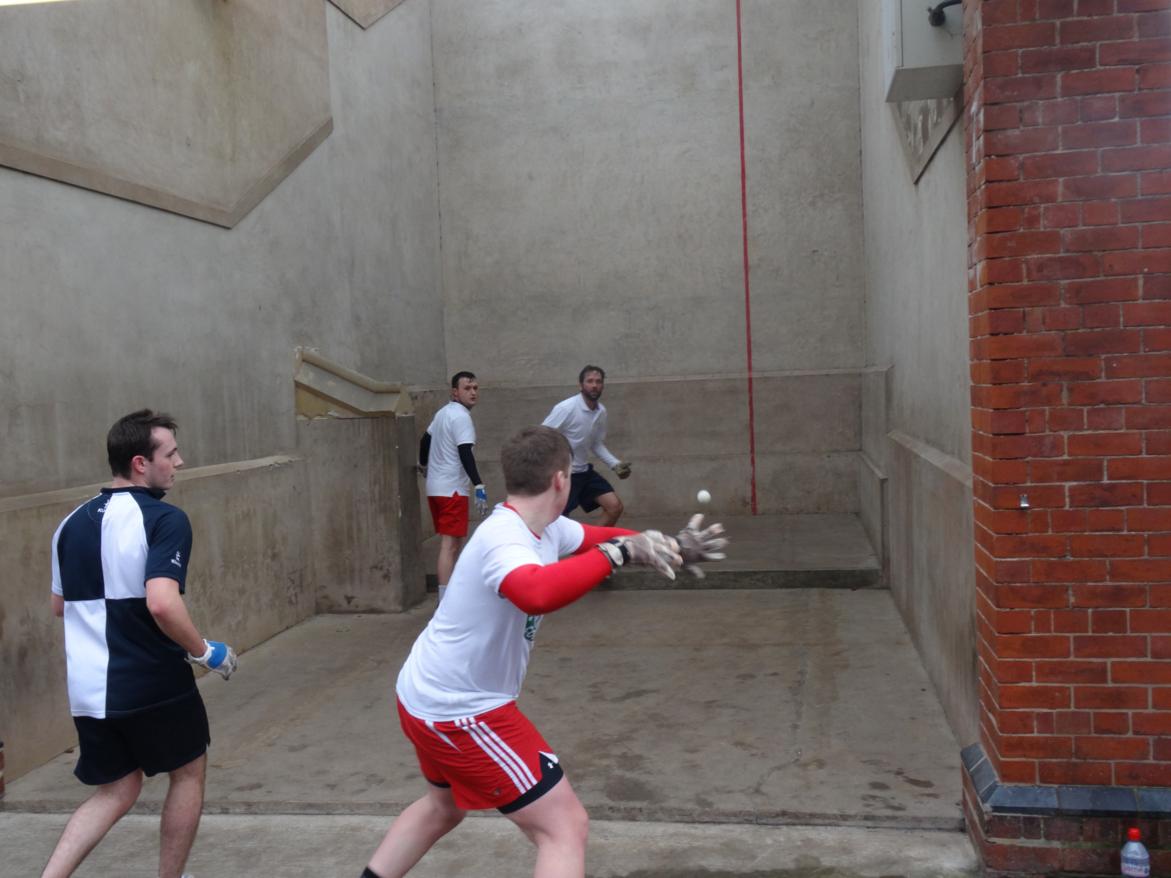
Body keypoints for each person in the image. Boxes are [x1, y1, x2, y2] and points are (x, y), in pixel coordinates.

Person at [361, 425, 727, 878]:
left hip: (423, 693)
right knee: (564, 827)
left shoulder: (547, 527)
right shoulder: (503, 539)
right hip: (462, 710)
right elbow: (535, 593)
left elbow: (597, 537)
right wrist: (618, 554)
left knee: (445, 805)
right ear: (561, 479)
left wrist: (671, 547)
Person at [42, 410, 238, 878]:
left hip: (90, 691)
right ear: (140, 463)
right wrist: (205, 652)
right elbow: (163, 604)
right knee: (188, 772)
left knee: (116, 789)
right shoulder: (166, 519)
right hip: (152, 682)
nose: (180, 462)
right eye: (170, 454)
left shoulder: (69, 523)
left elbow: (58, 605)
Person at [418, 371, 487, 601]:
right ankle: (445, 602)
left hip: (435, 490)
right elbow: (465, 452)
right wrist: (478, 483)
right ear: (454, 392)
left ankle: (450, 595)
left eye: (475, 388)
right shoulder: (461, 417)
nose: (473, 392)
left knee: (453, 543)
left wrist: (425, 465)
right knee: (449, 545)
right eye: (467, 388)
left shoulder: (442, 414)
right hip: (452, 491)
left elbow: (425, 440)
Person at [542, 365, 630, 526]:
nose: (594, 385)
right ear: (580, 385)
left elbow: (595, 443)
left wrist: (615, 464)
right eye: (590, 381)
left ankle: (592, 547)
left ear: (603, 385)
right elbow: (541, 436)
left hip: (584, 472)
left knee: (614, 507)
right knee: (558, 522)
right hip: (564, 475)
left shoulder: (601, 412)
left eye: (598, 381)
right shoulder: (566, 408)